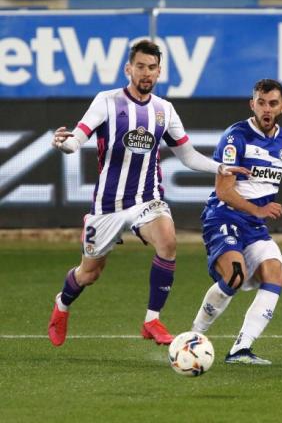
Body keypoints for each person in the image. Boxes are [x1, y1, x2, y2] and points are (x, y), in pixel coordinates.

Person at [47, 39, 249, 347]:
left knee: (168, 240)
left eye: (152, 68)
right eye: (140, 67)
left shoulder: (164, 110)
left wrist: (219, 167)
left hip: (147, 198)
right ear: (128, 68)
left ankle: (151, 321)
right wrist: (64, 144)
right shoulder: (106, 101)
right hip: (108, 206)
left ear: (159, 72)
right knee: (89, 273)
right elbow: (77, 138)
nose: (146, 73)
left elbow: (188, 155)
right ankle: (61, 305)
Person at [190, 78, 282, 365]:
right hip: (223, 216)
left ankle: (241, 349)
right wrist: (258, 210)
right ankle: (194, 336)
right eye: (261, 102)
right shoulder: (236, 137)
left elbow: (262, 185)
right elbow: (224, 190)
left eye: (272, 103)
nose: (266, 108)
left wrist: (258, 214)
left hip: (254, 227)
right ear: (252, 104)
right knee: (235, 275)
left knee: (275, 274)